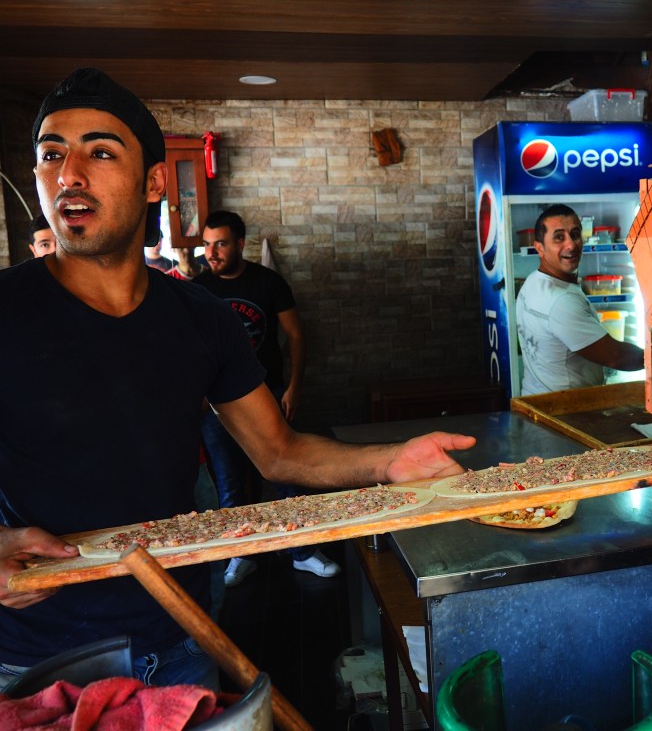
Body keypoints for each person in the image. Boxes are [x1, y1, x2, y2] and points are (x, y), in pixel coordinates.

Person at [0, 67, 474, 691]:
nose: (69, 175)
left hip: (180, 633)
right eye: (51, 155)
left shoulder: (201, 317)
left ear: (154, 182)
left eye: (101, 152)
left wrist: (390, 461)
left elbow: (279, 452)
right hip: (35, 660)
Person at [192, 210, 328, 585]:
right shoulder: (197, 289)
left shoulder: (268, 282)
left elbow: (296, 336)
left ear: (239, 244)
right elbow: (190, 349)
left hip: (267, 393)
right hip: (216, 402)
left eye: (220, 244)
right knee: (228, 482)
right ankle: (241, 555)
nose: (211, 253)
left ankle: (303, 552)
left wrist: (294, 386)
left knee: (290, 473)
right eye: (206, 244)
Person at [516, 204, 644, 395]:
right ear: (539, 248)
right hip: (566, 407)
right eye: (559, 237)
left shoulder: (533, 281)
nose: (571, 244)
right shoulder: (561, 301)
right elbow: (616, 357)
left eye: (575, 234)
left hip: (536, 397)